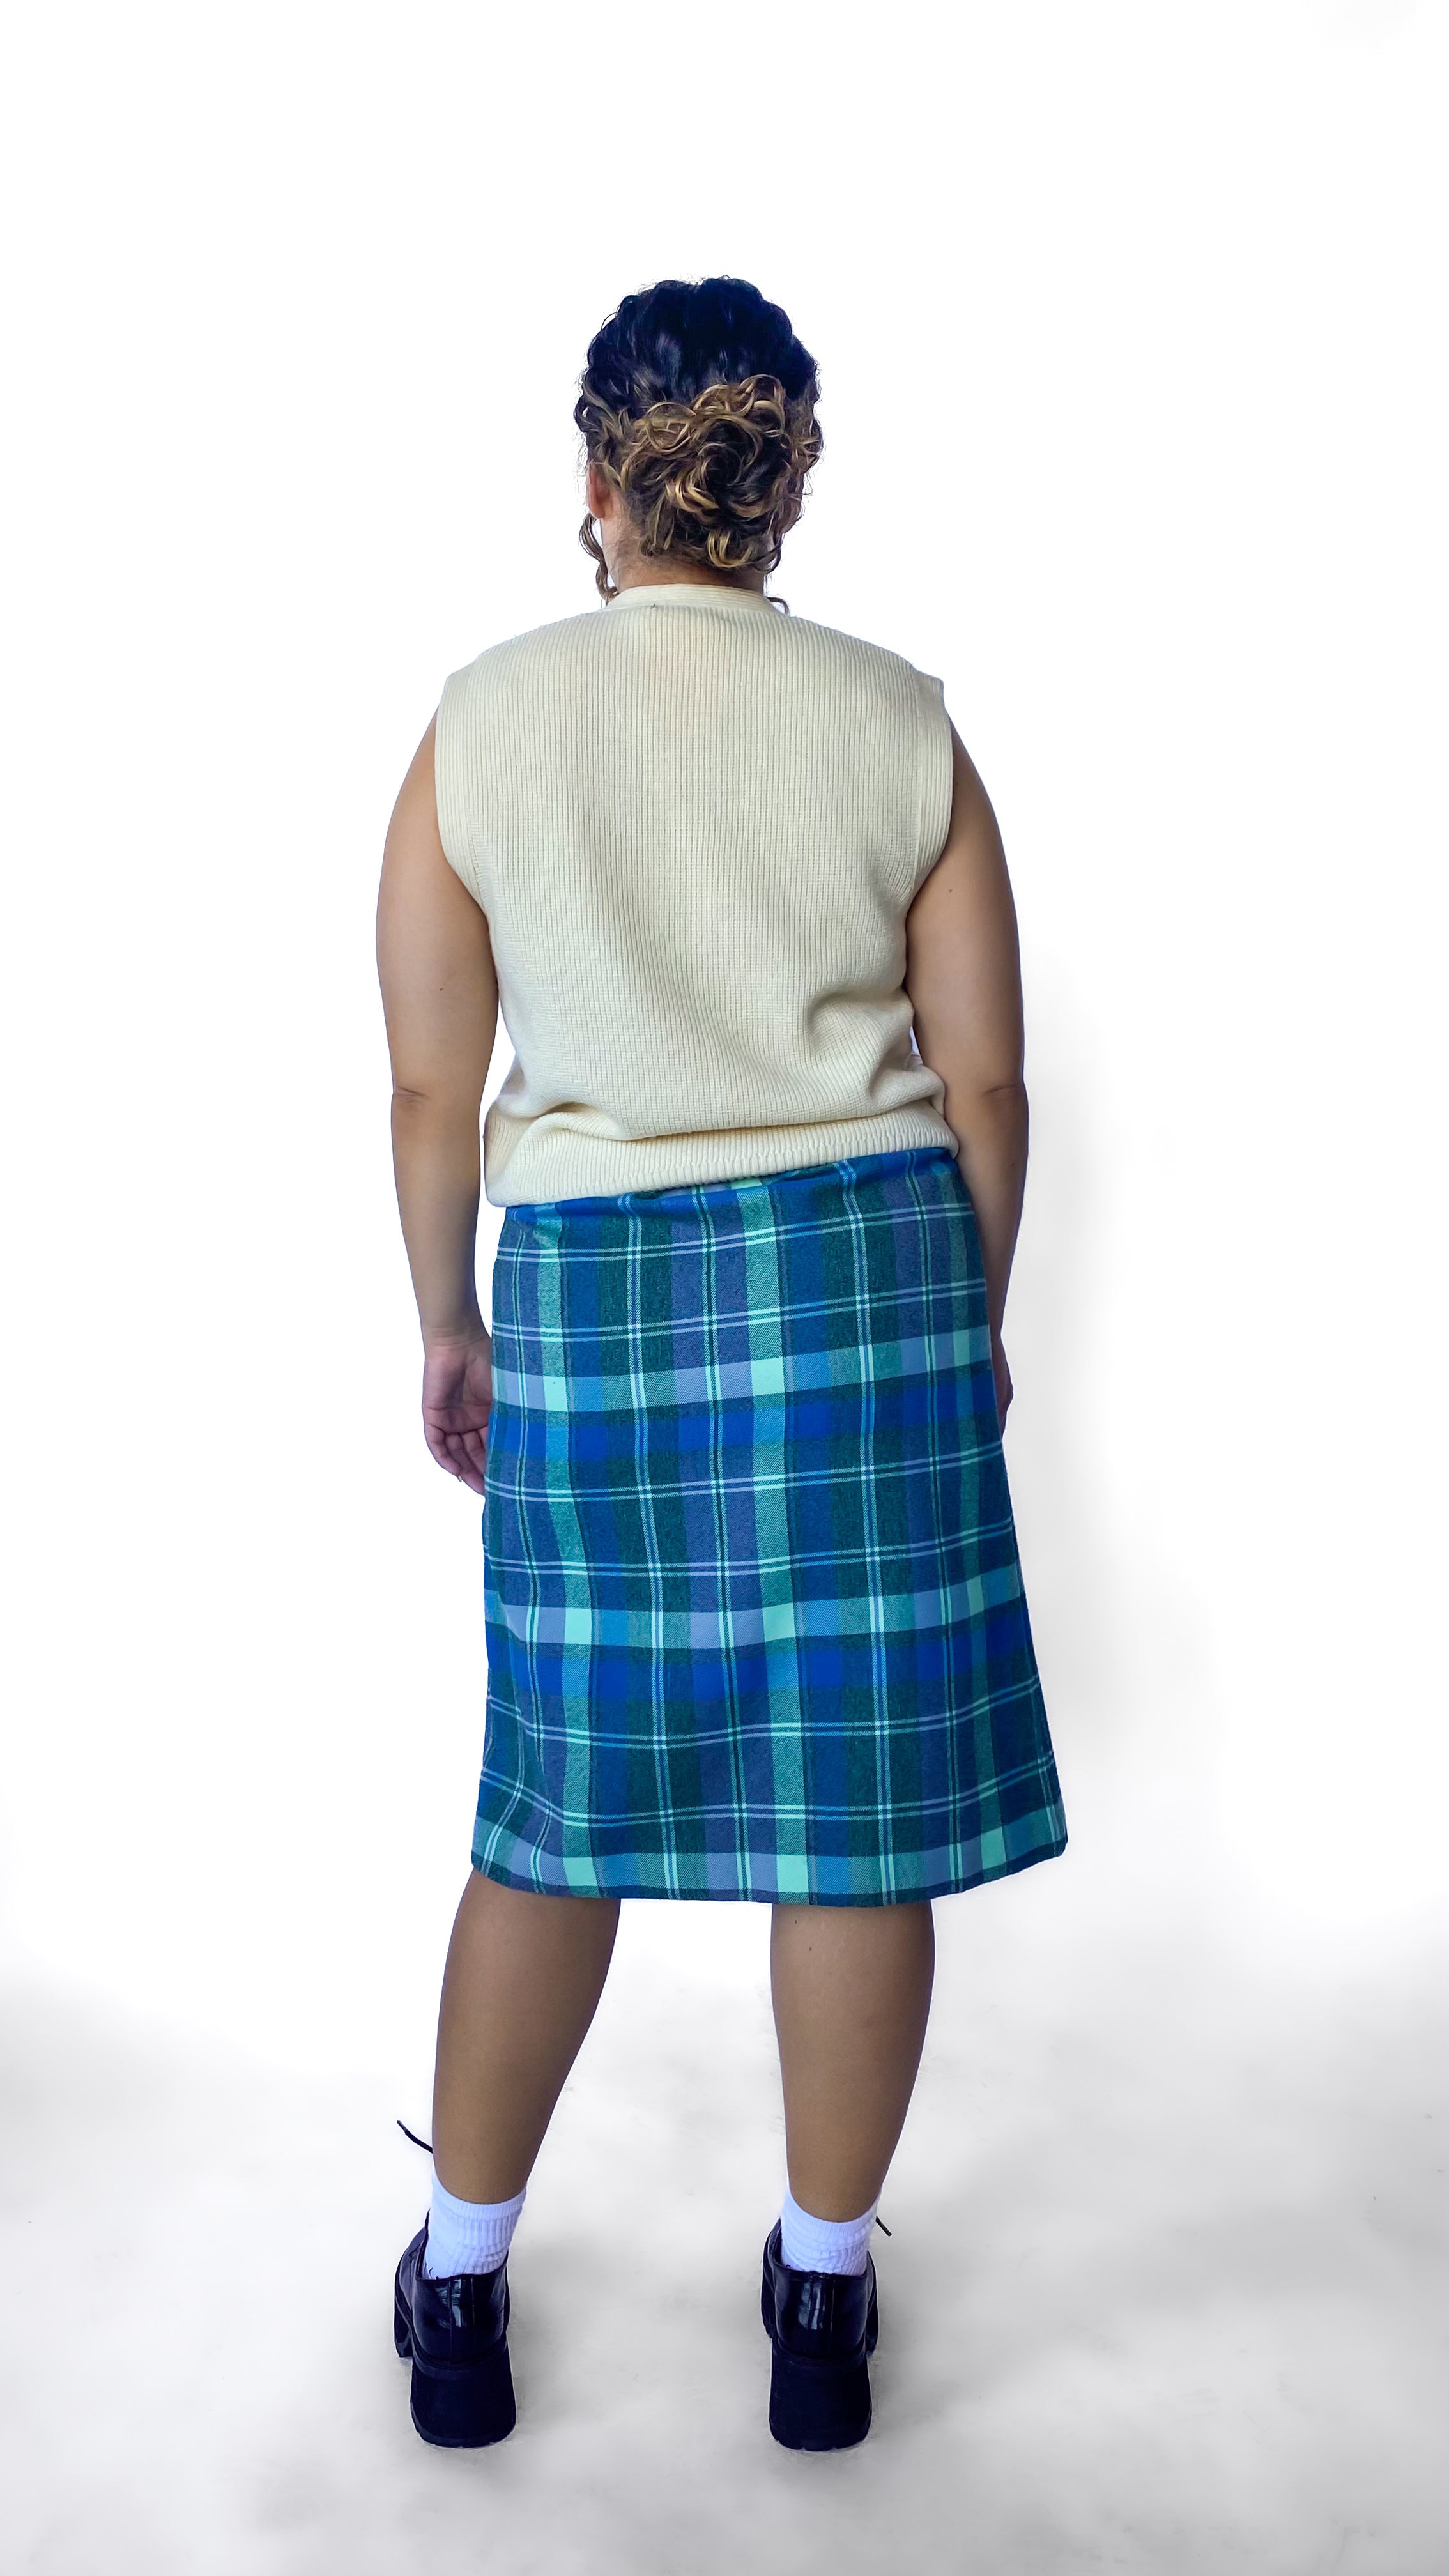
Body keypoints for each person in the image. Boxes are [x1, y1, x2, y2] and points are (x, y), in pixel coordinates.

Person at [375, 273, 1068, 2455]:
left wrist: (449, 1318)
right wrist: (964, 1320)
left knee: (555, 1807)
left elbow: (431, 1087)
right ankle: (822, 2299)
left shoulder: (481, 721)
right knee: (853, 1831)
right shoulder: (897, 720)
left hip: (596, 1291)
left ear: (597, 476)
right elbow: (985, 1082)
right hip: (864, 1283)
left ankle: (459, 2283)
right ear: (790, 480)